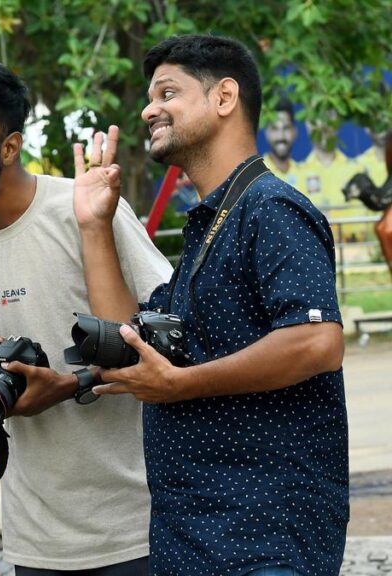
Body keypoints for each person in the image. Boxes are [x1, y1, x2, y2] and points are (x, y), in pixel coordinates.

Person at [74, 34, 348, 575]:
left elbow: (318, 341)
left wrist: (183, 384)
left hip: (266, 537)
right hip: (194, 535)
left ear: (225, 98)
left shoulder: (269, 208)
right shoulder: (212, 222)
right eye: (150, 97)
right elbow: (129, 340)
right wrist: (94, 224)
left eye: (168, 92)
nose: (150, 109)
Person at [0, 58, 172, 575]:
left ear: (9, 147)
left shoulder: (85, 207)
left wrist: (69, 382)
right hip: (35, 536)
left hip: (135, 522)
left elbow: (165, 334)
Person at [262, 96, 301, 184]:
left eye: (286, 128)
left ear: (294, 131)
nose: (281, 136)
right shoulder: (257, 175)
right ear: (266, 132)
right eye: (275, 128)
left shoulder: (305, 174)